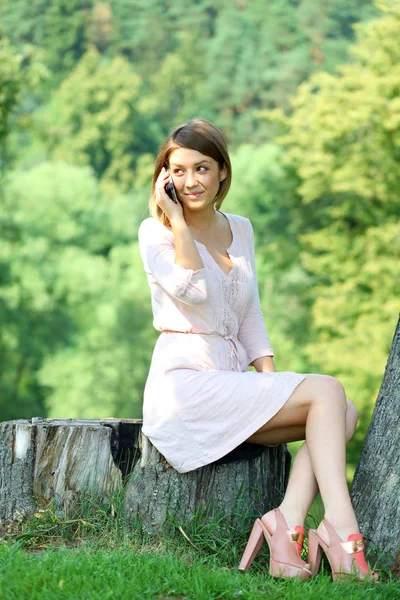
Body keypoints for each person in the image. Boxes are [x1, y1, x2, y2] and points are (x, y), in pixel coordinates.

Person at [137, 117, 378, 582]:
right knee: (328, 391)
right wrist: (181, 225)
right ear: (164, 178)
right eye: (179, 170)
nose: (191, 181)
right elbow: (191, 288)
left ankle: (285, 522)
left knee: (339, 409)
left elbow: (250, 315)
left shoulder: (241, 229)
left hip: (230, 383)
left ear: (223, 172)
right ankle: (343, 528)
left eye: (202, 168)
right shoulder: (156, 233)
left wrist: (273, 388)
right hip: (183, 388)